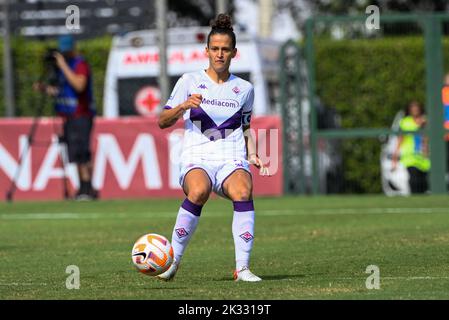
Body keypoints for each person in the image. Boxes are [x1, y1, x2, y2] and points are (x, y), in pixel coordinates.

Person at [157, 14, 269, 282]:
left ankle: (242, 268)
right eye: (215, 49)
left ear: (234, 53)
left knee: (243, 190)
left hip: (231, 157)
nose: (220, 54)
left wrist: (253, 153)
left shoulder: (244, 89)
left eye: (225, 50)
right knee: (198, 191)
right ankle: (173, 260)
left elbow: (245, 127)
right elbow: (162, 121)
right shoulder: (189, 81)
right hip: (197, 156)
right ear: (206, 51)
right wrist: (184, 106)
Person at [36, 35, 97, 200]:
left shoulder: (79, 64)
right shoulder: (64, 68)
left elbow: (79, 85)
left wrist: (62, 65)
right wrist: (45, 89)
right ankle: (82, 188)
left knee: (83, 152)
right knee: (75, 153)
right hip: (68, 116)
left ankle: (88, 187)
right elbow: (61, 92)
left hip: (81, 114)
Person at [392, 101, 430, 194]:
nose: (415, 110)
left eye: (416, 108)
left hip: (423, 156)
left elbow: (427, 138)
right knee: (414, 179)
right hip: (410, 156)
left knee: (423, 181)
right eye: (413, 108)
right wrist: (395, 156)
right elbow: (400, 140)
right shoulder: (405, 122)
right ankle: (415, 198)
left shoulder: (425, 121)